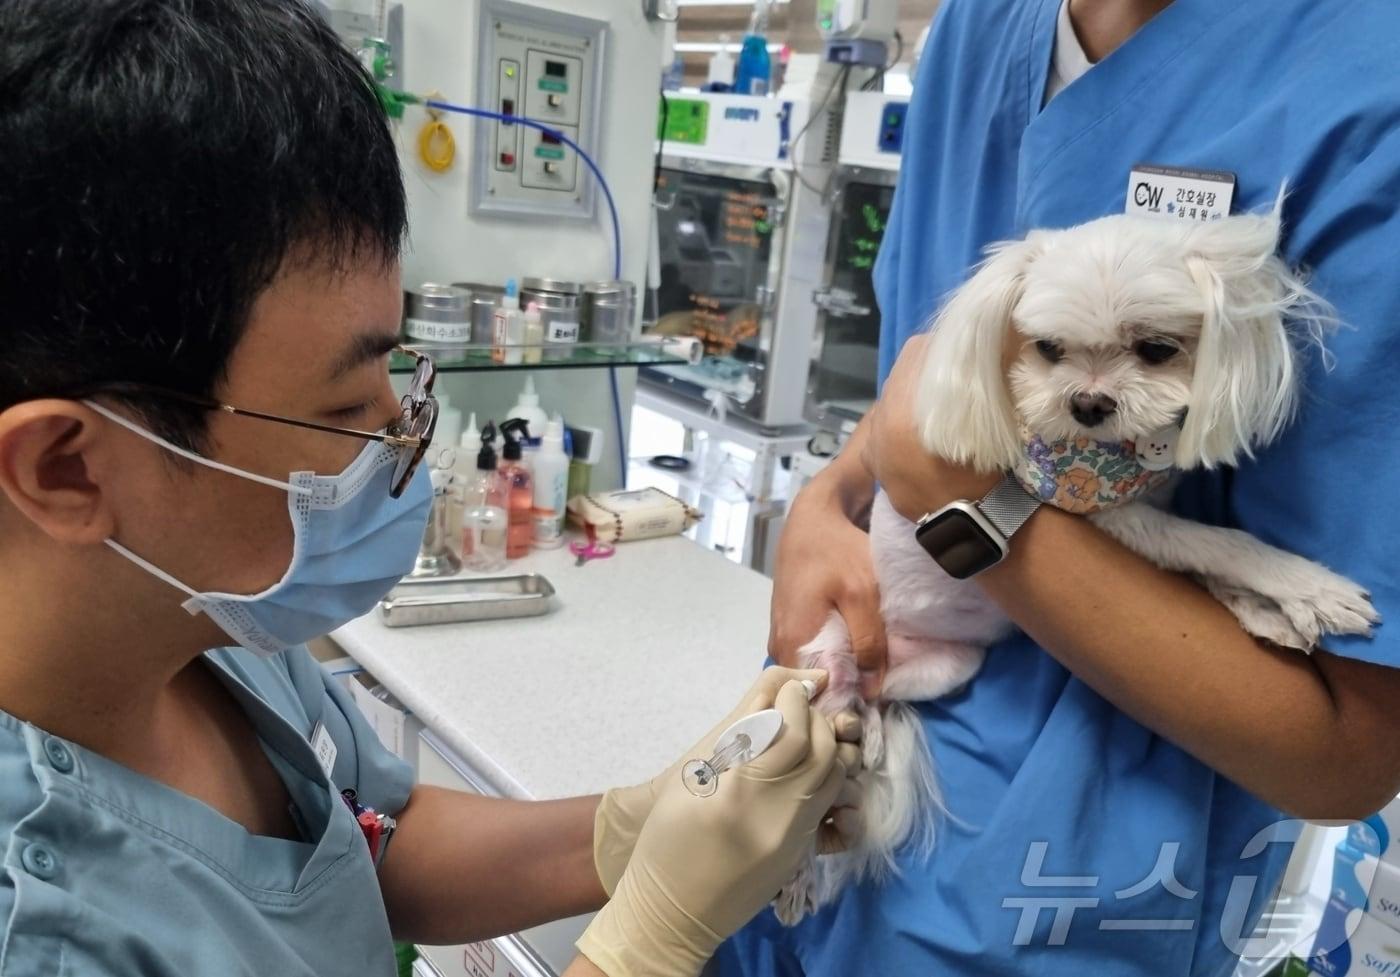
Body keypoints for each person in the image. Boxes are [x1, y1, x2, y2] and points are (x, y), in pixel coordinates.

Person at [0, 3, 862, 976]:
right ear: (66, 468)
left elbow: (370, 837)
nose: (400, 446)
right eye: (339, 408)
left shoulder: (209, 620)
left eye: (393, 382)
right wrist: (645, 938)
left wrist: (637, 824)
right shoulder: (47, 933)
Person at [716, 0, 1400, 974]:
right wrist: (822, 504)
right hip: (811, 841)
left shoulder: (1364, 84)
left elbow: (1345, 748)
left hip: (1065, 912)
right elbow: (913, 392)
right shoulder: (974, 32)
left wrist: (969, 509)